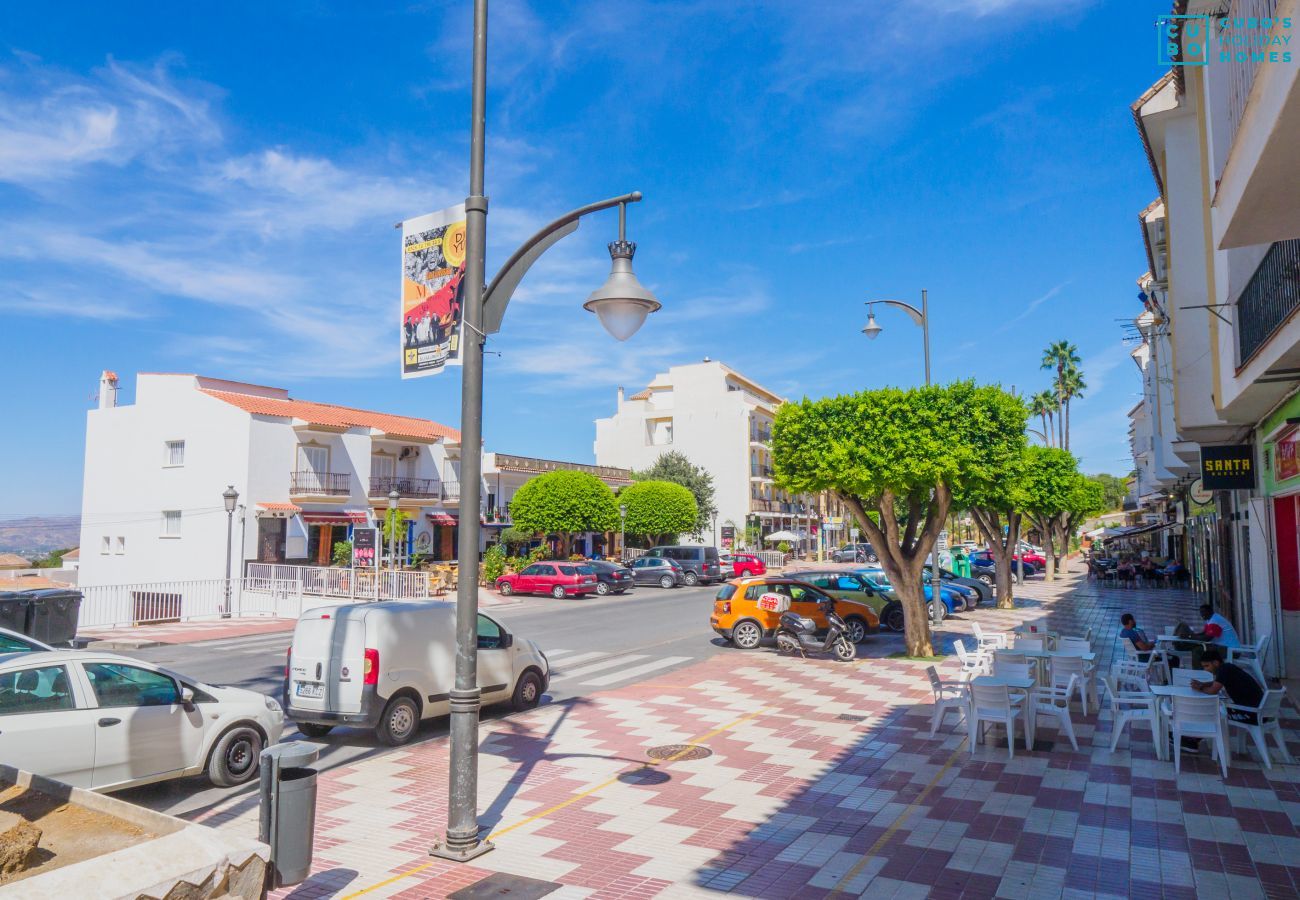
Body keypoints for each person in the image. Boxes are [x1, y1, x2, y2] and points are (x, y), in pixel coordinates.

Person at [1193, 646, 1263, 723]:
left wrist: (1199, 688)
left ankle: (1216, 734)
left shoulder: (1224, 670)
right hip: (1258, 711)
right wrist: (1203, 684)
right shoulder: (1227, 667)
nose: (1205, 669)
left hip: (1251, 714)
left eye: (1207, 666)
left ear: (1216, 663)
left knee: (1213, 713)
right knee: (1218, 709)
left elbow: (1213, 691)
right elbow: (1217, 682)